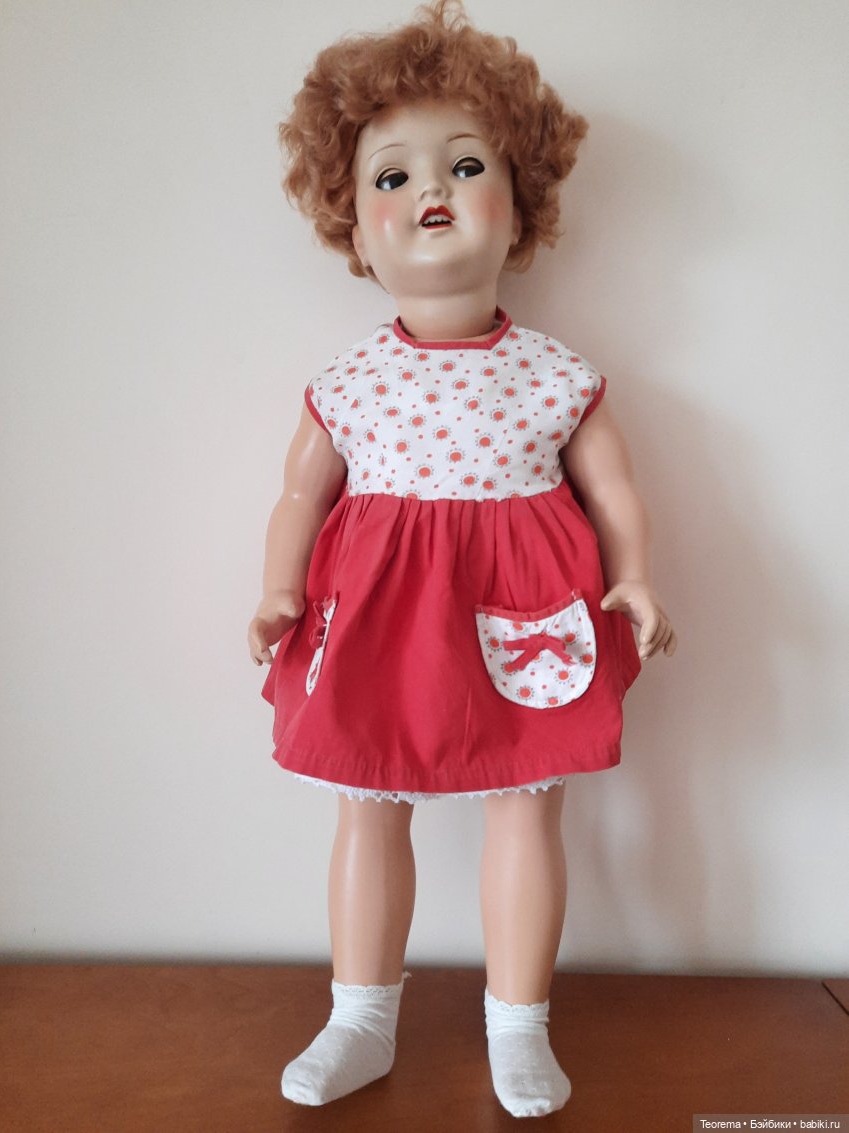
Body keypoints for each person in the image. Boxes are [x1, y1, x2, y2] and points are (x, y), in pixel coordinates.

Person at [247, 0, 676, 1117]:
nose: (429, 190)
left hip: (519, 609)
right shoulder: (348, 382)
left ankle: (518, 1024)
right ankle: (360, 1016)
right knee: (366, 803)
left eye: (466, 164)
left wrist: (633, 574)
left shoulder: (555, 374)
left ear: (519, 202)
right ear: (354, 225)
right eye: (390, 176)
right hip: (378, 618)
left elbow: (613, 489)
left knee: (526, 804)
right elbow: (300, 493)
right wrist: (278, 589)